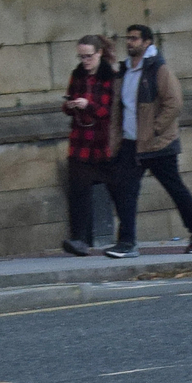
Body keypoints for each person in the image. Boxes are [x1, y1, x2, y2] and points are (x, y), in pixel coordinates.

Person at [104, 23, 192, 258]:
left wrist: (155, 130)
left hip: (158, 144)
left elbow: (174, 103)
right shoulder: (124, 71)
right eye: (128, 38)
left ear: (147, 42)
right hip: (131, 143)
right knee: (125, 192)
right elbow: (119, 109)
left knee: (175, 189)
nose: (130, 42)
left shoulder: (158, 69)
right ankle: (127, 242)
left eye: (135, 38)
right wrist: (116, 140)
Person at [59, 34, 120, 255]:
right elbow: (66, 104)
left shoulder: (111, 77)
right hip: (80, 142)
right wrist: (72, 105)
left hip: (104, 143)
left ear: (99, 53)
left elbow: (109, 110)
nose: (85, 61)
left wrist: (88, 105)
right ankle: (79, 240)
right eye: (81, 56)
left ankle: (127, 237)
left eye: (89, 56)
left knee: (119, 192)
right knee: (78, 192)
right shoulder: (77, 75)